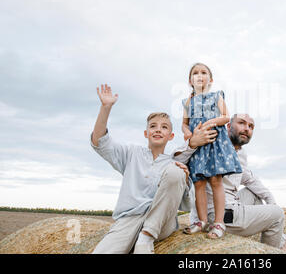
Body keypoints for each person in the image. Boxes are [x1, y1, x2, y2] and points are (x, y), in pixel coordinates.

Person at [90, 84, 216, 254]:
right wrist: (106, 108)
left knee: (177, 171)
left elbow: (185, 204)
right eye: (153, 126)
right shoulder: (131, 153)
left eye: (164, 127)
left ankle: (146, 237)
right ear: (146, 133)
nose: (158, 129)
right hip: (128, 220)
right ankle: (140, 237)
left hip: (162, 223)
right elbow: (100, 142)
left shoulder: (174, 161)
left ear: (171, 136)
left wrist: (184, 179)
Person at [188, 114, 286, 252]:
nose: (246, 129)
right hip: (216, 216)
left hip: (232, 204)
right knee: (277, 214)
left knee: (253, 194)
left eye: (251, 126)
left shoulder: (241, 153)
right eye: (241, 123)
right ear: (228, 126)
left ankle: (279, 239)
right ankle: (276, 249)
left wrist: (271, 200)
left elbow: (250, 179)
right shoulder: (212, 143)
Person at [181, 63, 242, 239]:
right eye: (195, 73)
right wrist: (187, 132)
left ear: (211, 79)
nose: (199, 76)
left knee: (215, 181)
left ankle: (219, 222)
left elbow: (225, 116)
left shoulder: (216, 96)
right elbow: (184, 123)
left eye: (203, 73)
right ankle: (201, 221)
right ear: (190, 81)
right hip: (198, 145)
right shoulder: (188, 101)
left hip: (214, 143)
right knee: (198, 183)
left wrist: (210, 122)